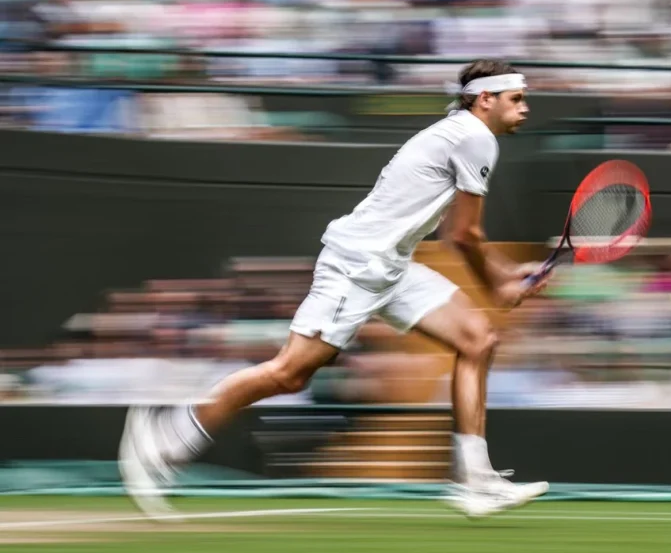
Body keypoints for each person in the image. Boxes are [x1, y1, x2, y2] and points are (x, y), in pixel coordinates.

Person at [118, 59, 551, 519]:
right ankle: (164, 439)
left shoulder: (459, 132)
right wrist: (499, 285)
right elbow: (463, 235)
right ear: (486, 99)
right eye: (517, 99)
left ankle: (476, 481)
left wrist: (503, 277)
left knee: (477, 339)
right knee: (290, 374)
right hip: (357, 265)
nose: (524, 108)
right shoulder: (474, 137)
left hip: (392, 266)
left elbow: (457, 231)